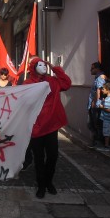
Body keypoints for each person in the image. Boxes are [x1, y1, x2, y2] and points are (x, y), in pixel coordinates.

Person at [23, 57, 71, 199]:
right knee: (39, 158)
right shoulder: (28, 83)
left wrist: (54, 68)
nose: (43, 66)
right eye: (40, 64)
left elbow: (67, 84)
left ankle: (49, 181)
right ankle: (41, 185)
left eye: (45, 64)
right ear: (33, 67)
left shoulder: (52, 81)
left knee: (53, 156)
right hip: (36, 127)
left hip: (51, 126)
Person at [87, 62, 106, 148]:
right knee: (92, 123)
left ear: (97, 69)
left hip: (96, 105)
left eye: (92, 68)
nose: (91, 70)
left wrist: (95, 102)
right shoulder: (97, 77)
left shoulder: (100, 78)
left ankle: (99, 143)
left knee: (97, 123)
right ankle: (94, 142)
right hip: (93, 104)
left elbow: (99, 91)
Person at [96, 82, 110, 152]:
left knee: (106, 133)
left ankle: (106, 146)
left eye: (103, 89)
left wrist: (102, 107)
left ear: (108, 90)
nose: (102, 90)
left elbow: (109, 110)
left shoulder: (108, 99)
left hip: (107, 119)